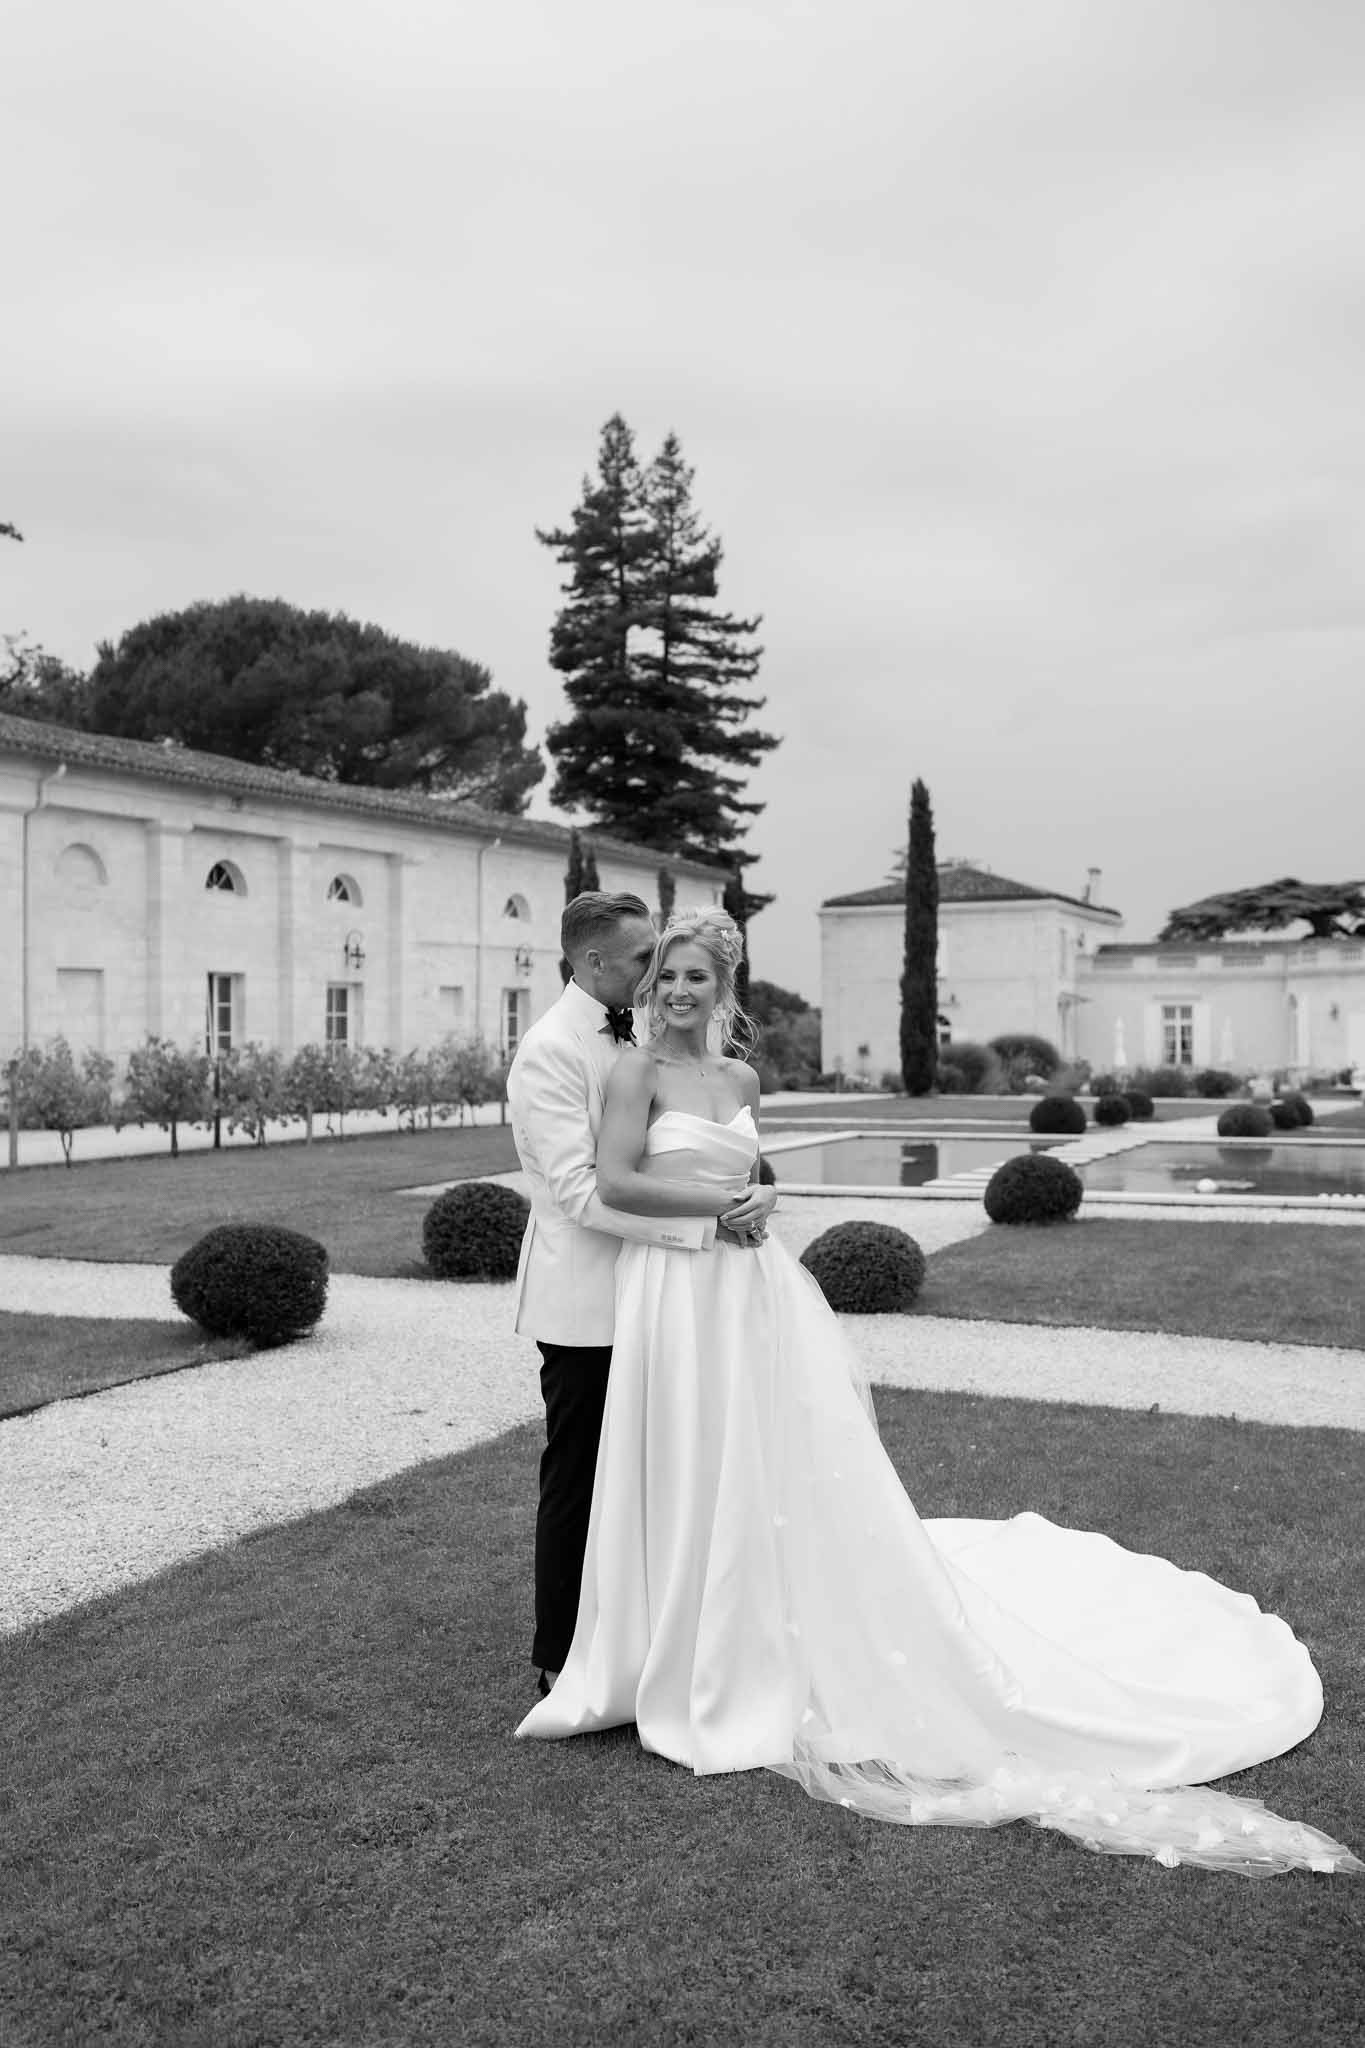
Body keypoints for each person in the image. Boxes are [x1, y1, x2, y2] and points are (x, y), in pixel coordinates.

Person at [516, 907, 1362, 1877]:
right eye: (665, 975)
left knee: (759, 1452)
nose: (675, 992)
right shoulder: (633, 1070)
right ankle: (671, 1640)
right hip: (673, 1288)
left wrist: (763, 1196)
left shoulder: (743, 1077)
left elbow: (746, 1167)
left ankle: (741, 1621)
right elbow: (617, 1180)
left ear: (722, 988)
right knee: (680, 1450)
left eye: (694, 978)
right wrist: (721, 1206)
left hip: (748, 1287)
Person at [506, 891, 776, 1699]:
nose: (657, 973)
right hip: (590, 1296)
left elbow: (724, 1159)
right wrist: (708, 1228)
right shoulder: (549, 1050)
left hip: (674, 1293)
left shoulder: (675, 1046)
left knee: (667, 1468)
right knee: (582, 1476)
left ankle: (658, 1627)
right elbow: (580, 1192)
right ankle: (560, 1653)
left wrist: (755, 1200)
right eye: (641, 961)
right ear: (591, 963)